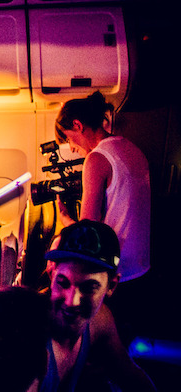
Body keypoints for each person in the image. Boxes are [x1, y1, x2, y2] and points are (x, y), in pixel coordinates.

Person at [28, 220, 173, 392]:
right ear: (51, 273)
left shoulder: (99, 322)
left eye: (89, 287)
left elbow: (134, 381)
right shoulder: (28, 339)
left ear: (111, 286)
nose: (72, 300)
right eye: (63, 282)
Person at [55, 91, 151, 287]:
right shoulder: (132, 148)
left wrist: (66, 220)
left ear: (77, 125)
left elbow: (87, 232)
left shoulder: (97, 158)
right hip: (142, 265)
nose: (71, 148)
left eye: (68, 138)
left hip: (117, 271)